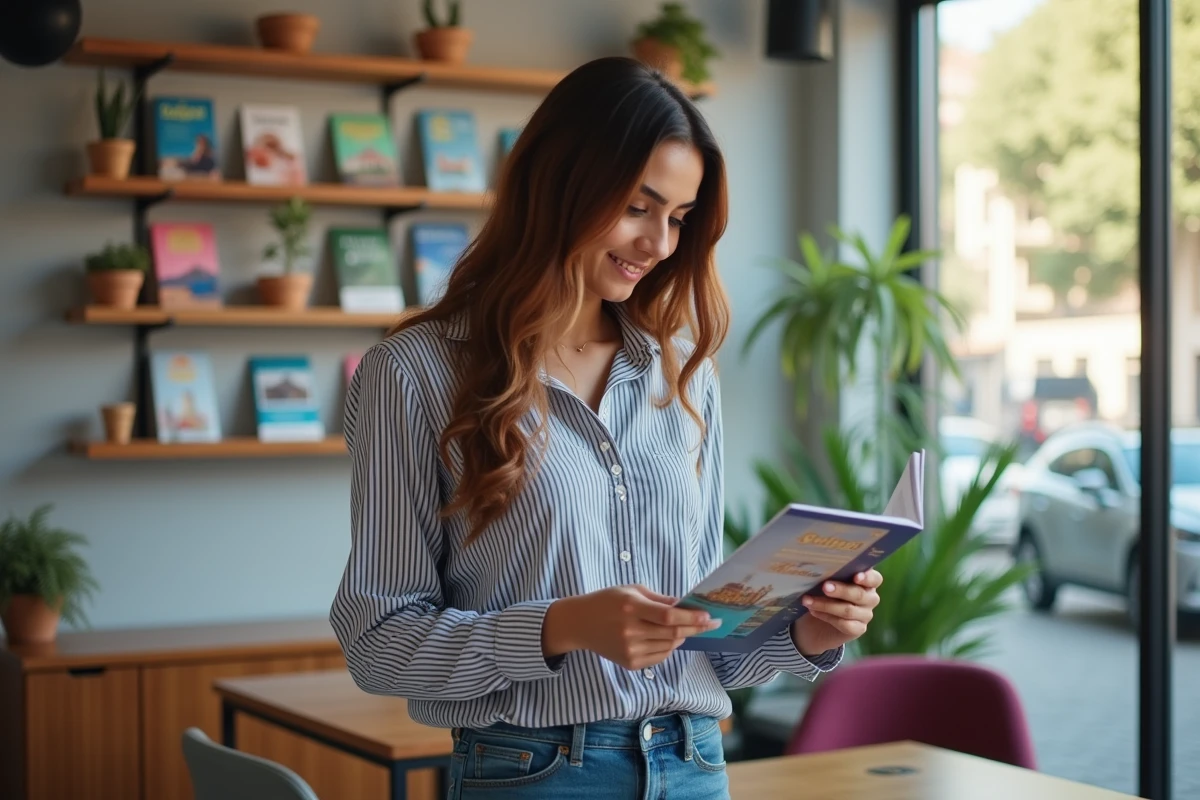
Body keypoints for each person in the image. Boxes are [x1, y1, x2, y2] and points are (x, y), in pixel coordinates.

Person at [329, 56, 883, 800]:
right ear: (559, 185)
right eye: (637, 206)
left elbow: (700, 641)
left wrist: (808, 633)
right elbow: (378, 644)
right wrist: (558, 627)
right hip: (533, 776)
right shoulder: (414, 374)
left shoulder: (684, 375)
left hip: (694, 765)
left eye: (679, 219)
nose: (659, 244)